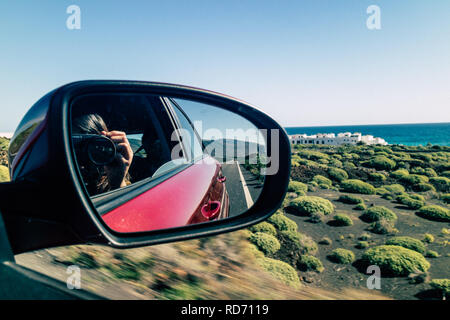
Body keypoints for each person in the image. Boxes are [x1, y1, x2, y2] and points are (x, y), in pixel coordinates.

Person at [72, 114, 133, 195]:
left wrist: (118, 182)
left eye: (92, 149)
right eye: (74, 146)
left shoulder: (111, 173)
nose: (81, 160)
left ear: (104, 146)